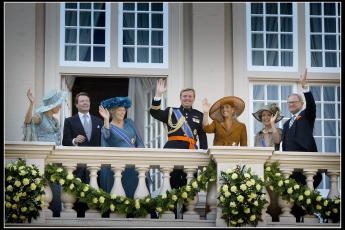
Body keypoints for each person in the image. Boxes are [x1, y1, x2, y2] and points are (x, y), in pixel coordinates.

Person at [150, 79, 207, 218]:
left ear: (194, 99)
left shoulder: (199, 115)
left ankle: (188, 214)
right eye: (184, 96)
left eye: (190, 96)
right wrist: (158, 94)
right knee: (172, 183)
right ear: (180, 98)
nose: (187, 98)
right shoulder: (171, 112)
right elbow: (154, 113)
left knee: (190, 185)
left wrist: (204, 154)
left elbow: (202, 137)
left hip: (191, 153)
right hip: (172, 151)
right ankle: (172, 214)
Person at [282, 68, 322, 222]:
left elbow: (312, 105)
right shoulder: (286, 124)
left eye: (294, 102)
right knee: (293, 202)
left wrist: (305, 87)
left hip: (305, 163)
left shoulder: (307, 115)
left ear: (301, 103)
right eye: (289, 103)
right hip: (291, 168)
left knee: (304, 199)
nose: (291, 104)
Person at [23, 88, 67, 217]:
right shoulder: (39, 116)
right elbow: (28, 121)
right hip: (42, 157)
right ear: (52, 105)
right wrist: (31, 104)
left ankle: (56, 214)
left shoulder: (55, 121)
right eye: (58, 103)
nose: (60, 106)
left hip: (55, 158)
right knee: (43, 187)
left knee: (56, 189)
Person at [62, 92, 103, 217]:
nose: (85, 103)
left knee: (95, 192)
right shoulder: (69, 121)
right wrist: (74, 140)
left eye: (87, 101)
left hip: (96, 165)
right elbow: (65, 141)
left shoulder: (99, 121)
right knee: (78, 194)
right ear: (76, 104)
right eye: (82, 101)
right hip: (78, 165)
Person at [98, 96, 146, 199]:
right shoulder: (107, 128)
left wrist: (140, 155)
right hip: (118, 167)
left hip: (134, 165)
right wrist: (106, 120)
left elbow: (139, 141)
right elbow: (107, 137)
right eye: (120, 110)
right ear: (112, 112)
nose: (123, 112)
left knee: (135, 193)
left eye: (124, 110)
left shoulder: (129, 123)